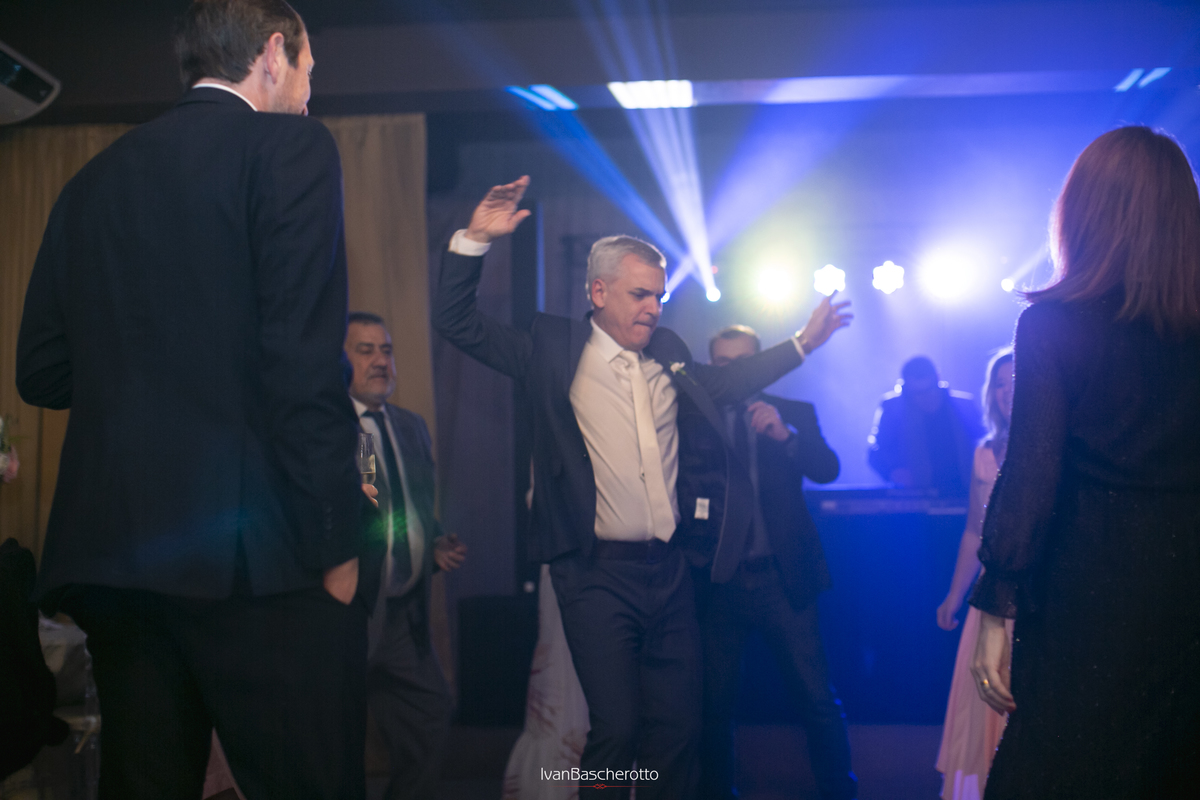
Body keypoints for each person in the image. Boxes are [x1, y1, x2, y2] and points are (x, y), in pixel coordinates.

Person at [15, 2, 372, 797]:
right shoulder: (290, 147)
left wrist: (140, 369)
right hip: (257, 558)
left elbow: (40, 373)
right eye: (309, 72)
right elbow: (301, 365)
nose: (309, 94)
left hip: (116, 557)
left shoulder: (91, 180)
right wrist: (337, 542)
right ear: (273, 54)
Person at [433, 175, 851, 799]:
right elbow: (456, 322)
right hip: (596, 575)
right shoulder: (552, 348)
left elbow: (728, 382)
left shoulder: (668, 355)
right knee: (618, 731)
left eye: (658, 295)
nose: (653, 308)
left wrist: (802, 344)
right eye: (638, 295)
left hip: (670, 573)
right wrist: (474, 239)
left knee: (678, 730)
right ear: (598, 292)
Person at [970, 126, 1200, 798]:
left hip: (1089, 589)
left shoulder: (1053, 324)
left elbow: (1031, 477)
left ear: (1083, 212)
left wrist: (995, 607)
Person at [695, 325, 856, 800]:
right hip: (718, 582)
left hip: (782, 579)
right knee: (713, 706)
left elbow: (827, 470)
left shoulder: (792, 412)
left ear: (763, 363)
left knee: (816, 699)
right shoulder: (694, 417)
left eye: (744, 362)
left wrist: (785, 436)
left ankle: (839, 794)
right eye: (723, 363)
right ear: (710, 367)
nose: (734, 372)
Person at [344, 312, 467, 800]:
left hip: (403, 616)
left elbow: (408, 510)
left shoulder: (410, 427)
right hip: (347, 614)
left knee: (430, 716)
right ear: (340, 361)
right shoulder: (332, 428)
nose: (380, 361)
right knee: (334, 739)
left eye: (386, 350)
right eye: (365, 351)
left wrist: (432, 545)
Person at [934, 349, 1013, 800]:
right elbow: (973, 533)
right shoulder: (984, 453)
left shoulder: (1059, 447)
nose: (1008, 391)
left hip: (1036, 596)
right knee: (983, 702)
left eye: (1017, 380)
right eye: (1000, 383)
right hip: (990, 595)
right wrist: (954, 595)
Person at [868, 357, 985, 494]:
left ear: (938, 379)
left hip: (964, 493)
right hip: (916, 497)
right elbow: (876, 452)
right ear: (907, 389)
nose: (925, 397)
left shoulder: (965, 406)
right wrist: (893, 471)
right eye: (917, 393)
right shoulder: (893, 408)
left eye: (929, 390)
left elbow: (985, 446)